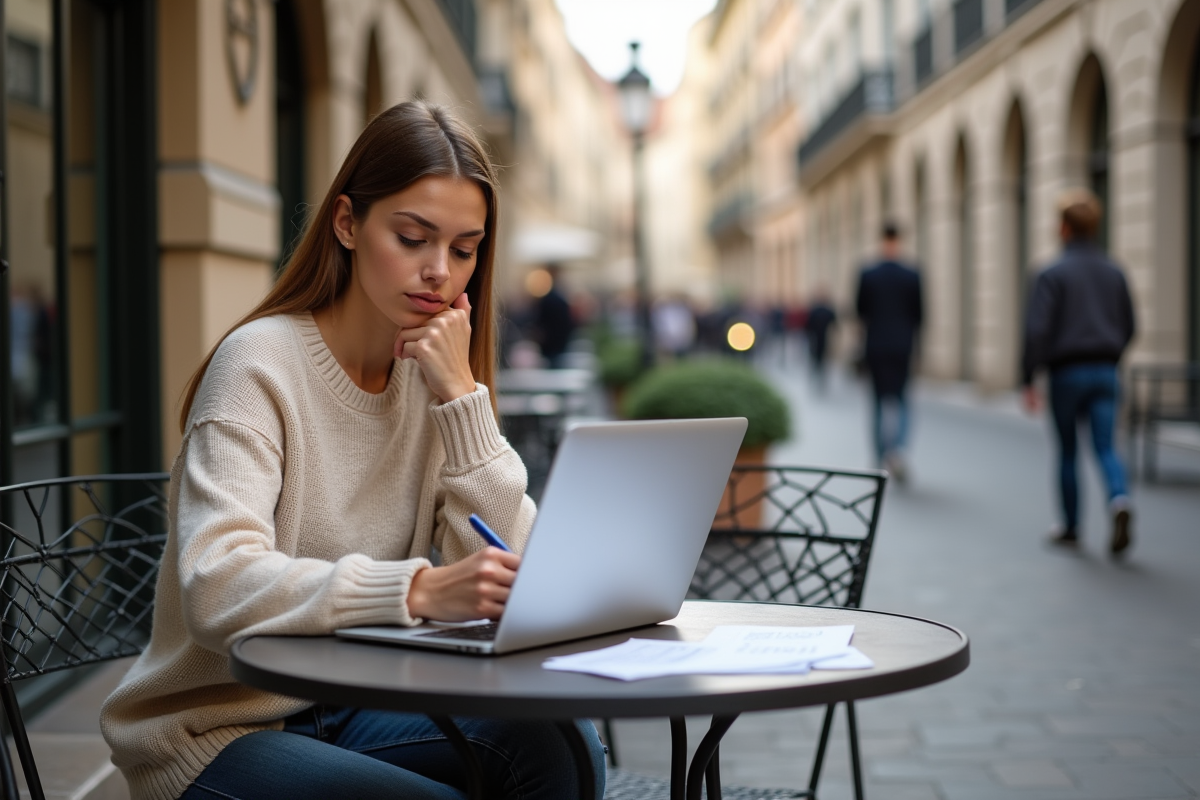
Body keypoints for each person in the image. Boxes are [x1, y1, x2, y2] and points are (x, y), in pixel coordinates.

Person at [99, 101, 606, 800]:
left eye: (464, 249)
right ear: (347, 224)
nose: (440, 272)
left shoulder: (433, 379)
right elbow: (215, 585)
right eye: (412, 237)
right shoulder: (258, 365)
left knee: (561, 745)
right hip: (217, 731)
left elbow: (508, 573)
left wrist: (462, 400)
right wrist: (418, 589)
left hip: (356, 704)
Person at [1021, 188, 1135, 556]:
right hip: (1106, 370)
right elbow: (1130, 324)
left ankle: (1071, 527)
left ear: (1065, 228)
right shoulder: (1114, 271)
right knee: (1106, 446)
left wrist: (1027, 377)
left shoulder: (1052, 273)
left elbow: (1037, 331)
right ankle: (1119, 498)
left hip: (1067, 373)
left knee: (1068, 451)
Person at [855, 222, 924, 481]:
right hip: (902, 346)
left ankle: (880, 453)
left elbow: (860, 311)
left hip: (875, 346)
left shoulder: (868, 273)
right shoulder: (912, 274)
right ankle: (898, 450)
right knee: (903, 399)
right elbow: (920, 315)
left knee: (876, 402)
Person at [533, 263, 575, 368]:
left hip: (550, 346)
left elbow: (540, 323)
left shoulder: (547, 299)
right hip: (560, 344)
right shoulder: (561, 298)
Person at [803, 290, 837, 392]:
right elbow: (835, 324)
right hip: (823, 339)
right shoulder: (827, 311)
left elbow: (807, 325)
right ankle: (820, 382)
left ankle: (816, 380)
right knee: (821, 361)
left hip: (815, 339)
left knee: (815, 360)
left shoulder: (814, 310)